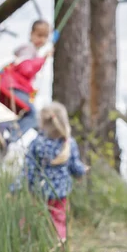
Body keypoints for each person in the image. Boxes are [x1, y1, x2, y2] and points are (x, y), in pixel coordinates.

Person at [12, 101, 88, 241]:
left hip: (38, 192)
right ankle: (59, 245)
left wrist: (15, 187)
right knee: (58, 220)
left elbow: (27, 170)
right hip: (60, 195)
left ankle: (25, 239)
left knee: (32, 216)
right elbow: (75, 167)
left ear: (42, 123)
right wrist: (82, 170)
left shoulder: (37, 143)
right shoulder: (68, 143)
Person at [0, 20, 53, 151]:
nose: (42, 39)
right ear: (31, 34)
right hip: (15, 87)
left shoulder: (32, 52)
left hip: (17, 88)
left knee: (31, 116)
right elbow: (26, 69)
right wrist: (43, 59)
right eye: (39, 35)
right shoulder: (28, 49)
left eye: (45, 37)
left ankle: (5, 129)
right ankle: (8, 134)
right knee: (34, 117)